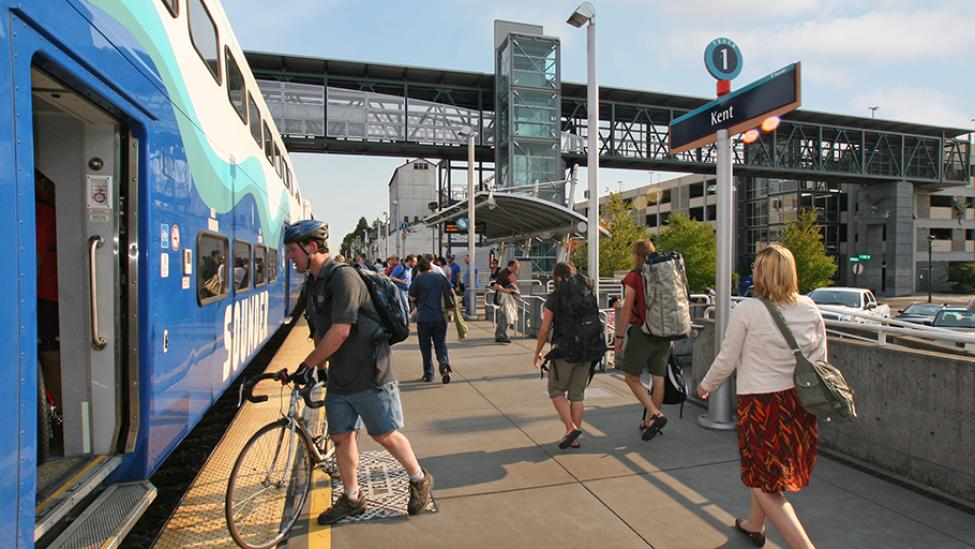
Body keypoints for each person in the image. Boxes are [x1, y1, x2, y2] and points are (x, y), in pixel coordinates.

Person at [281, 220, 433, 524]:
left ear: (311, 248)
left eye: (292, 250)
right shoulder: (313, 284)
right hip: (340, 377)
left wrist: (307, 365)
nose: (289, 257)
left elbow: (340, 331)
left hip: (370, 372)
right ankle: (352, 498)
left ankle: (419, 479)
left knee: (384, 435)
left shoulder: (344, 277)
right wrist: (320, 370)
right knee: (342, 438)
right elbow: (319, 331)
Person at [698, 244, 823, 549]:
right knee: (767, 475)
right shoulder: (810, 307)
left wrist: (707, 385)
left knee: (762, 481)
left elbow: (728, 357)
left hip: (761, 405)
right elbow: (820, 360)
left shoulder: (748, 310)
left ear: (761, 274)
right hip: (798, 405)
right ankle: (755, 525)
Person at [614, 240, 670, 441]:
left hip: (642, 332)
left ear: (635, 255)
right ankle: (650, 422)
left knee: (631, 377)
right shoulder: (664, 274)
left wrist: (619, 336)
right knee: (658, 379)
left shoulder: (634, 276)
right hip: (664, 333)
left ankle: (655, 414)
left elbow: (628, 308)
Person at [533, 262, 592, 450]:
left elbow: (544, 329)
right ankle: (573, 438)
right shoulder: (586, 292)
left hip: (565, 350)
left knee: (556, 390)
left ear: (555, 276)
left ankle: (570, 428)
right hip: (587, 349)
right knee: (577, 395)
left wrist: (538, 352)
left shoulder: (555, 297)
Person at [35, 170, 61, 413]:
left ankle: (60, 414)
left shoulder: (41, 213)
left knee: (51, 357)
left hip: (46, 298)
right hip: (59, 298)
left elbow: (37, 259)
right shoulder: (58, 213)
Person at [409, 256, 453, 384]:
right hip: (440, 317)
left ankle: (428, 374)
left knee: (425, 347)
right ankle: (444, 365)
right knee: (440, 344)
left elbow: (411, 297)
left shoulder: (418, 279)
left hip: (423, 317)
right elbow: (450, 291)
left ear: (419, 269)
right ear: (430, 267)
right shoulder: (440, 278)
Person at [493, 259, 521, 343]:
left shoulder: (511, 274)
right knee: (505, 316)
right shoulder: (503, 273)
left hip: (509, 297)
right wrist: (508, 291)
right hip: (505, 297)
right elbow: (497, 286)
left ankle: (502, 334)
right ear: (511, 266)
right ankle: (501, 335)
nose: (517, 269)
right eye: (516, 267)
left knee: (507, 316)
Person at [390, 255, 415, 322]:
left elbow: (409, 280)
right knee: (406, 308)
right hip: (400, 289)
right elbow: (391, 277)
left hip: (407, 291)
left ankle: (405, 322)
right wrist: (401, 281)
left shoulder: (410, 269)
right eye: (414, 262)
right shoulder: (400, 267)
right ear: (409, 261)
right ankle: (405, 323)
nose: (415, 264)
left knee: (405, 307)